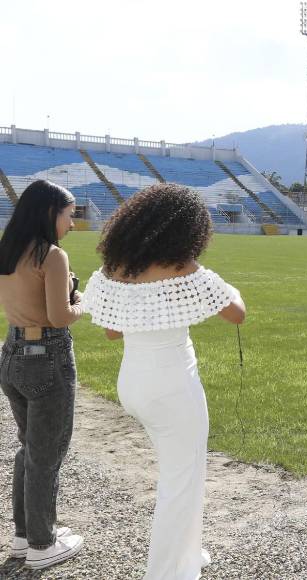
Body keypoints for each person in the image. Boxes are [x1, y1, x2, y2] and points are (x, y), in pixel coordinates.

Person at [81, 183, 246, 579]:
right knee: (182, 480)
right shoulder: (184, 268)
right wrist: (233, 288)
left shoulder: (114, 269)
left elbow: (112, 333)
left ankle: (187, 553)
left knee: (181, 474)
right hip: (173, 387)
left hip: (133, 383)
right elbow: (236, 314)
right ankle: (168, 572)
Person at [0, 179, 85, 570]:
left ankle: (23, 538)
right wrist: (81, 303)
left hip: (12, 353)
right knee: (46, 455)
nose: (72, 223)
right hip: (46, 356)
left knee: (28, 448)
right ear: (51, 212)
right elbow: (59, 316)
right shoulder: (51, 255)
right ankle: (41, 543)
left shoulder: (9, 249)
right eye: (69, 215)